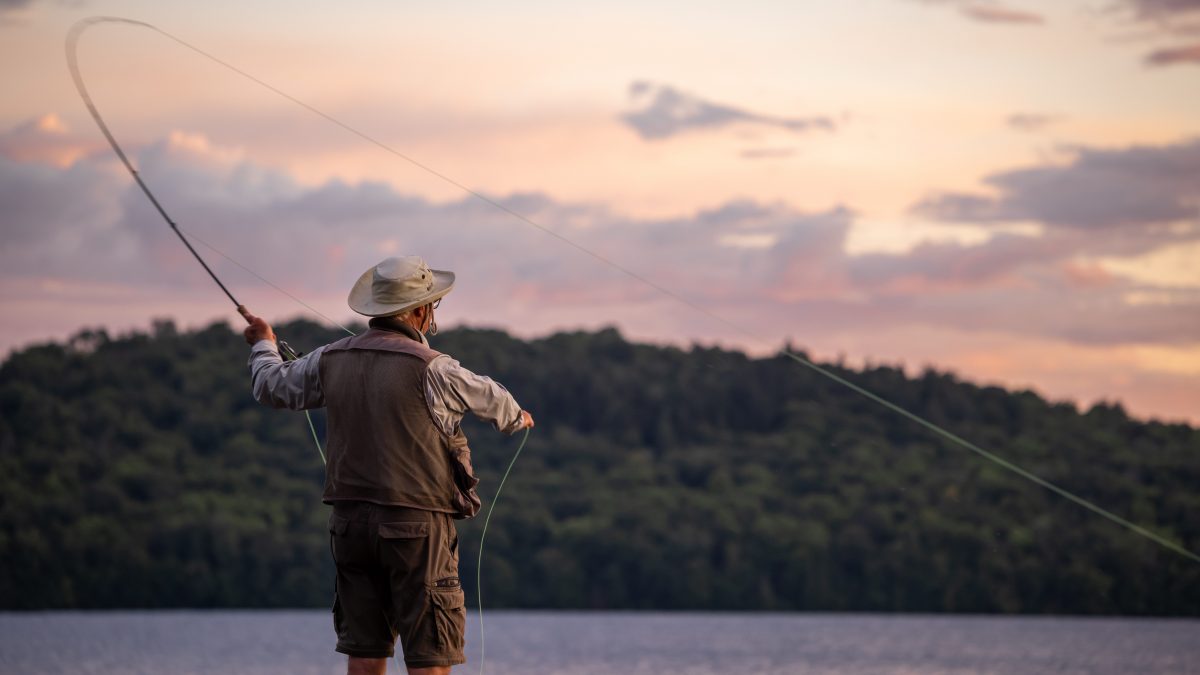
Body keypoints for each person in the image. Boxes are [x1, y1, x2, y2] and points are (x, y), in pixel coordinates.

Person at [240, 255, 533, 675]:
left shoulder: (329, 358)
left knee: (364, 655)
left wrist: (263, 343)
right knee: (430, 658)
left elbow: (270, 385)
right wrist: (518, 418)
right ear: (418, 311)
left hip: (350, 528)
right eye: (432, 305)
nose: (432, 314)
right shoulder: (436, 368)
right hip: (418, 531)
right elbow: (497, 401)